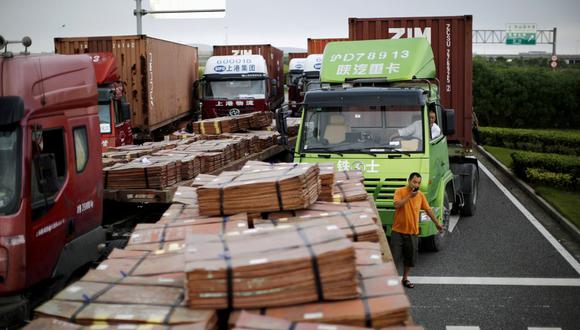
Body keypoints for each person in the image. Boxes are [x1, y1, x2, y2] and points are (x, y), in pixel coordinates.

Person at [390, 172, 442, 289]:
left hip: (412, 232)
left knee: (410, 258)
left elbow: (428, 210)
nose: (416, 185)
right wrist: (409, 196)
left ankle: (405, 278)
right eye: (414, 182)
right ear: (409, 181)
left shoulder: (420, 196)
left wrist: (437, 224)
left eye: (418, 183)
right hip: (397, 231)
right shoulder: (400, 191)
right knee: (394, 257)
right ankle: (392, 281)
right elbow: (396, 205)